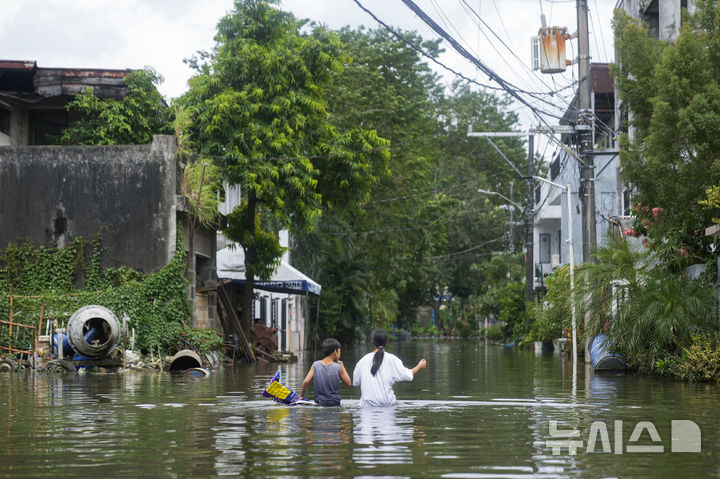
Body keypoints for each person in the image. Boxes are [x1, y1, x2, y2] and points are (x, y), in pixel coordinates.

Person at [352, 329, 427, 407]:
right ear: (387, 342)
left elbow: (355, 382)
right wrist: (420, 366)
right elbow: (407, 375)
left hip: (366, 409)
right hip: (388, 407)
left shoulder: (363, 361)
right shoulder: (392, 359)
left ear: (372, 342)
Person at [300, 338, 351, 406]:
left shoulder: (315, 365)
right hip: (334, 402)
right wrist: (342, 365)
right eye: (339, 352)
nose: (339, 354)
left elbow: (306, 381)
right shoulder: (339, 366)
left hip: (319, 402)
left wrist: (301, 396)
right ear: (335, 351)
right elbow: (348, 383)